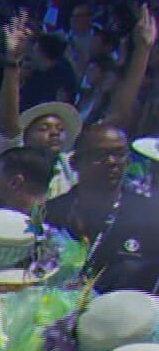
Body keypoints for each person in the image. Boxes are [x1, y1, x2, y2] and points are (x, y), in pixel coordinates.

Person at [47, 125, 159, 292]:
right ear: (74, 163)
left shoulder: (151, 216)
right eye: (100, 155)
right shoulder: (51, 213)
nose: (112, 162)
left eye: (119, 154)